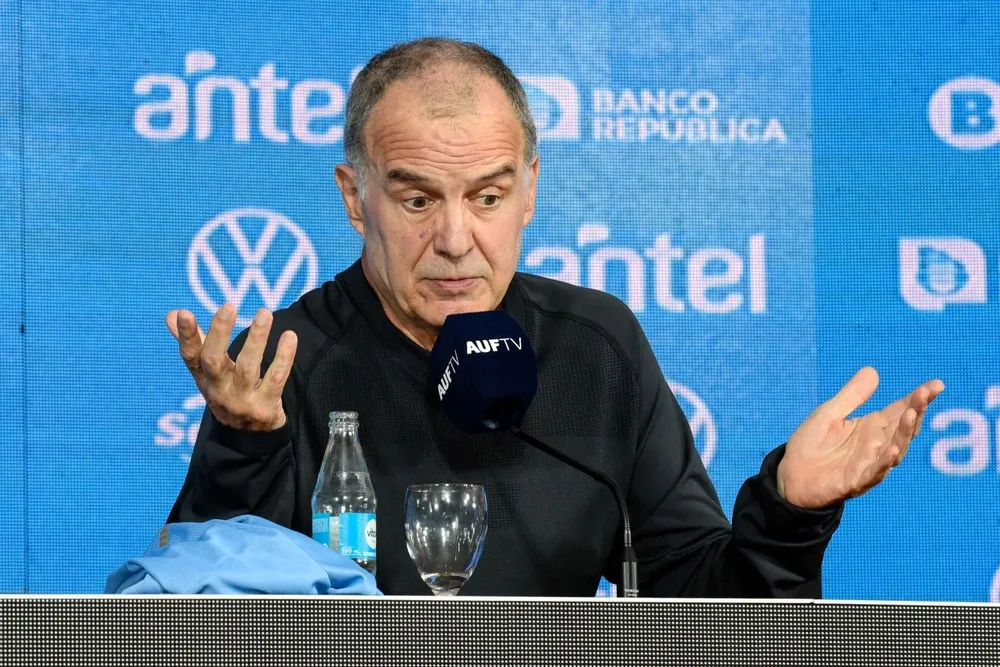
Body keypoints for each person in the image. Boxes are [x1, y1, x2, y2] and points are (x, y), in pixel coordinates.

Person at [165, 38, 943, 597]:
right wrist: (244, 447)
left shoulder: (595, 348)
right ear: (353, 197)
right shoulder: (279, 370)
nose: (455, 239)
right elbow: (205, 618)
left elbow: (702, 609)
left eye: (488, 196)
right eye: (416, 199)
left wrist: (787, 510)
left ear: (530, 189)